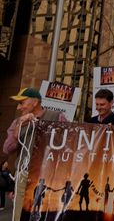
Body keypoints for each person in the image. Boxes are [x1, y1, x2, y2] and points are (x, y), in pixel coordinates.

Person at [3, 87, 67, 220]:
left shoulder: (56, 116)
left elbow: (68, 142)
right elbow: (7, 149)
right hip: (24, 174)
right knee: (19, 215)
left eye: (22, 103)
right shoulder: (17, 122)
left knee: (44, 214)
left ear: (35, 102)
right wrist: (19, 126)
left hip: (48, 176)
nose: (19, 108)